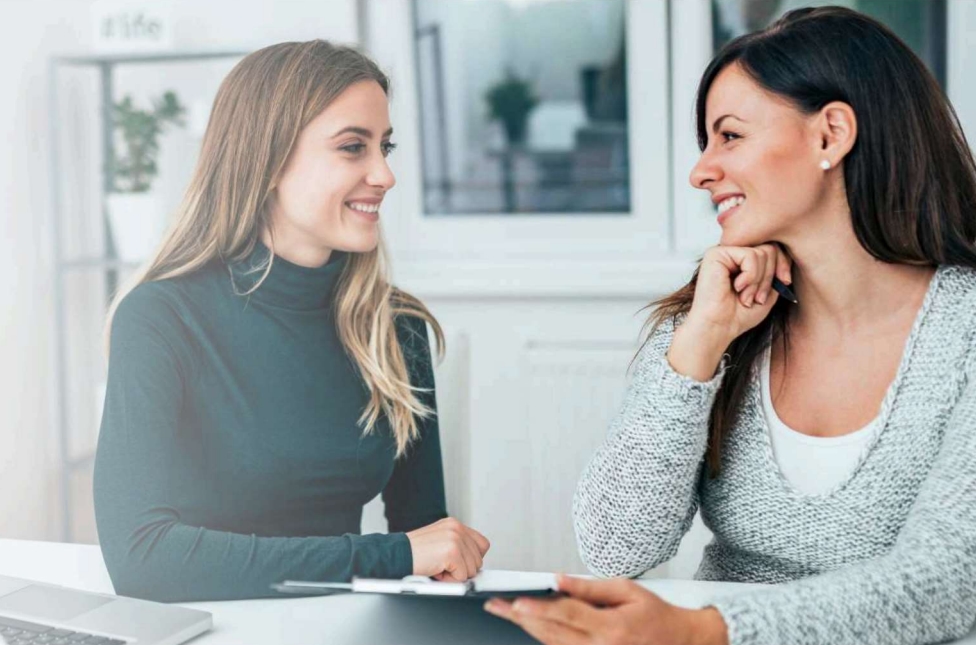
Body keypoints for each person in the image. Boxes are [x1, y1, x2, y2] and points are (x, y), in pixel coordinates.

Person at [486, 7, 976, 645]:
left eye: (730, 136)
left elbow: (948, 580)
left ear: (830, 134)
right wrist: (698, 346)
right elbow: (614, 547)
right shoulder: (721, 315)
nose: (701, 172)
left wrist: (708, 630)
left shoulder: (965, 329)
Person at [93, 40, 489, 603]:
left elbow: (427, 540)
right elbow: (142, 559)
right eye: (354, 147)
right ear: (269, 159)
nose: (385, 174)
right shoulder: (162, 317)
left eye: (385, 147)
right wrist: (393, 555)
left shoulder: (394, 326)